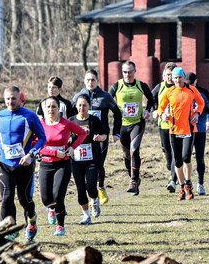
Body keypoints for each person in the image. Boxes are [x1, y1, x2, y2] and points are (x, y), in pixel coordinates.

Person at [0, 86, 47, 242]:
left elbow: (42, 138)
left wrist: (30, 155)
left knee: (24, 200)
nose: (10, 101)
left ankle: (32, 220)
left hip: (24, 165)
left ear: (20, 99)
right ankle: (7, 232)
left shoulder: (29, 116)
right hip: (5, 165)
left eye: (13, 98)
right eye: (7, 98)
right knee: (6, 198)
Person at [38, 97, 87, 237]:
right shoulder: (40, 124)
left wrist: (72, 148)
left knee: (58, 196)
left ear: (59, 108)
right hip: (46, 164)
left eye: (53, 106)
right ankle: (51, 209)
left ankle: (60, 226)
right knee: (46, 198)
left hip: (63, 164)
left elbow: (82, 133)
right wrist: (54, 152)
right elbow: (35, 145)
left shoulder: (66, 123)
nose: (51, 109)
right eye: (48, 107)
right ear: (44, 109)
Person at [108, 60, 155, 195]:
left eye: (130, 72)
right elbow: (107, 100)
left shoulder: (141, 85)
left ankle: (133, 181)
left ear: (135, 71)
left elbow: (151, 100)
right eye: (125, 72)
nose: (127, 74)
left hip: (137, 123)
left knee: (134, 149)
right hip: (122, 125)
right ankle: (134, 177)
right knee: (126, 155)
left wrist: (148, 111)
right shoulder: (117, 86)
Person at [157, 67, 205, 199]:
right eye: (175, 78)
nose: (178, 80)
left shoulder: (191, 89)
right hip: (173, 129)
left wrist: (197, 113)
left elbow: (201, 103)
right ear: (172, 79)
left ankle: (188, 184)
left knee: (186, 157)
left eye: (180, 77)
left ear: (184, 77)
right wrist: (163, 115)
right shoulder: (169, 91)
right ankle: (182, 187)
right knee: (177, 160)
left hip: (189, 128)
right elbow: (160, 108)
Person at [76, 69, 121, 206]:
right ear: (84, 81)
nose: (90, 82)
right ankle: (91, 192)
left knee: (99, 163)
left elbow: (117, 113)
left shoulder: (105, 96)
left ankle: (100, 188)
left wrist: (116, 132)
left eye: (93, 80)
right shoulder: (79, 97)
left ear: (97, 81)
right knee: (86, 166)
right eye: (88, 80)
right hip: (84, 138)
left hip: (101, 136)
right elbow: (72, 115)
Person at [70, 94, 109, 224]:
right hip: (76, 160)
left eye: (84, 105)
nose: (82, 108)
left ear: (88, 106)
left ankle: (95, 199)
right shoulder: (71, 121)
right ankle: (86, 216)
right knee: (80, 188)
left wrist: (99, 137)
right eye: (79, 105)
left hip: (92, 159)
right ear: (76, 106)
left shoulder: (94, 120)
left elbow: (105, 135)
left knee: (91, 187)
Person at [187, 72, 209, 195]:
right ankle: (187, 183)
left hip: (200, 129)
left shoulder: (203, 92)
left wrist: (199, 111)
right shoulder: (182, 91)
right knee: (185, 158)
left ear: (195, 81)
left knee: (199, 158)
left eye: (191, 83)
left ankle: (200, 183)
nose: (189, 86)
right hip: (185, 130)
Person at [151, 62, 178, 193]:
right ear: (163, 75)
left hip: (178, 126)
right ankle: (170, 165)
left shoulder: (180, 88)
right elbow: (150, 102)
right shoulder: (159, 87)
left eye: (172, 75)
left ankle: (173, 180)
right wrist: (154, 111)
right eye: (167, 75)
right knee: (167, 151)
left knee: (174, 153)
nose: (170, 78)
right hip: (163, 125)